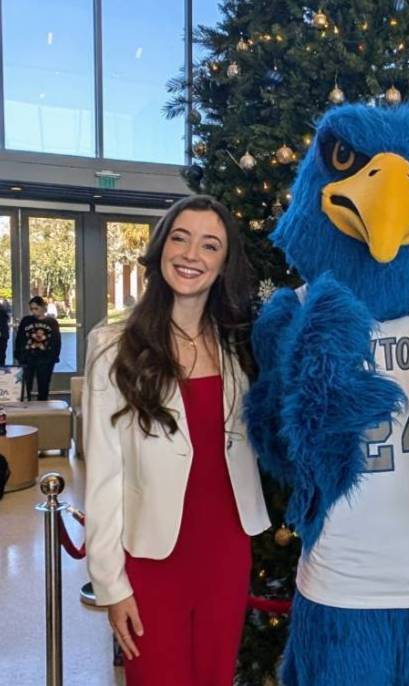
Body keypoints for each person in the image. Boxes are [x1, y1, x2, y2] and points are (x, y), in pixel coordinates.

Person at [84, 195, 269, 686]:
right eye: (181, 238)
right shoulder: (113, 345)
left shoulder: (237, 342)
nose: (192, 255)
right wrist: (110, 584)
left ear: (223, 263)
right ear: (162, 245)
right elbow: (103, 474)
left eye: (210, 245)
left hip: (226, 548)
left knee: (214, 677)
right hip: (152, 557)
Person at [14, 296, 61, 400]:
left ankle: (42, 408)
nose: (34, 312)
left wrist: (53, 357)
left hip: (45, 359)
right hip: (28, 357)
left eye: (36, 308)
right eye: (32, 309)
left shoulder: (52, 322)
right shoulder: (26, 321)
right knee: (26, 386)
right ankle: (26, 408)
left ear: (43, 307)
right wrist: (18, 355)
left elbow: (56, 341)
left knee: (44, 385)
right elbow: (20, 338)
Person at [0, 299, 10, 367]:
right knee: (2, 355)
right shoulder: (3, 312)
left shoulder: (2, 312)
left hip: (2, 336)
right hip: (3, 335)